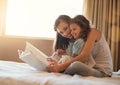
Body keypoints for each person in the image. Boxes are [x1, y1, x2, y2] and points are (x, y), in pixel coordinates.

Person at [47, 15, 113, 77]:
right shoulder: (74, 40)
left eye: (66, 28)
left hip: (103, 71)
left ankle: (60, 70)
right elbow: (72, 58)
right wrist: (58, 60)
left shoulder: (93, 32)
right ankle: (56, 67)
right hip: (90, 67)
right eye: (61, 32)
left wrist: (60, 66)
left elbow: (82, 55)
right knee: (61, 60)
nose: (65, 33)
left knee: (75, 65)